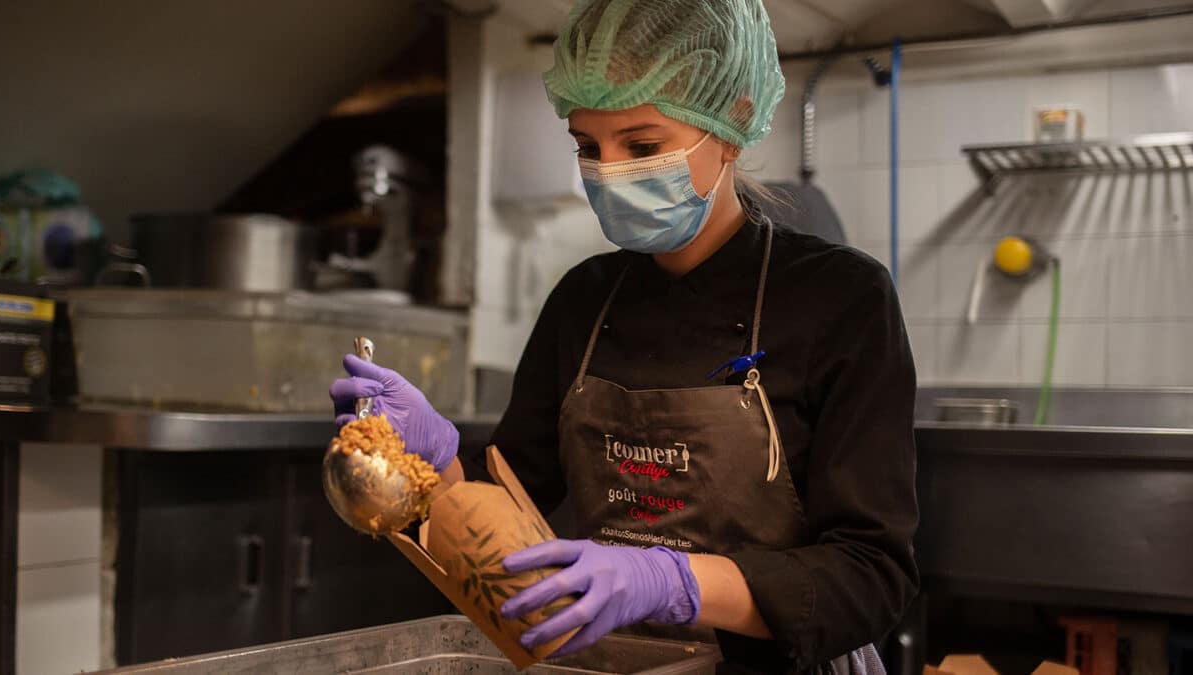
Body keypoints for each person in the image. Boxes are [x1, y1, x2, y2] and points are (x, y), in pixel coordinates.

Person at [330, 0, 919, 672]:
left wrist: (675, 582)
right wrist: (432, 466)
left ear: (731, 127)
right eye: (588, 147)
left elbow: (873, 574)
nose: (609, 171)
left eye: (642, 147)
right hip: (619, 662)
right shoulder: (584, 300)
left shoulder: (840, 298)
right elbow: (505, 518)